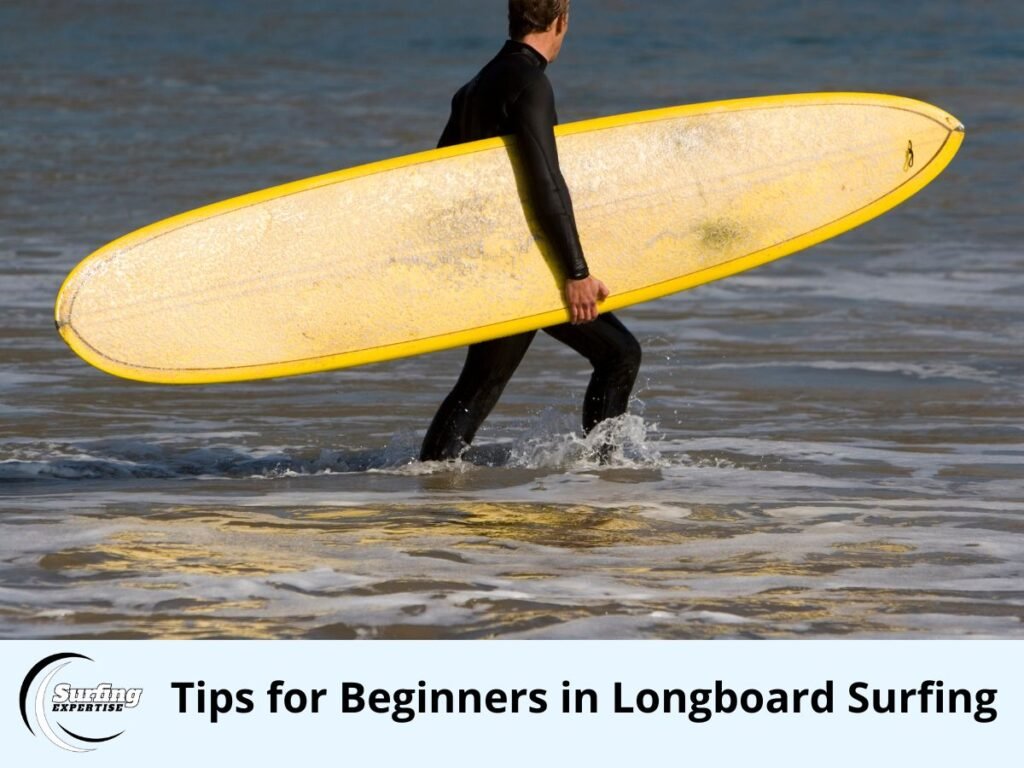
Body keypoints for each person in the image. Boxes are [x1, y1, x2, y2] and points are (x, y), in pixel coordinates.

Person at [420, 0, 641, 462]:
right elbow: (546, 181)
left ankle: (431, 481)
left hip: (492, 261)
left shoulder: (473, 88)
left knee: (480, 384)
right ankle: (604, 470)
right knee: (618, 354)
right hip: (524, 264)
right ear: (561, 22)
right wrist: (576, 272)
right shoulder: (530, 83)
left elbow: (439, 180)